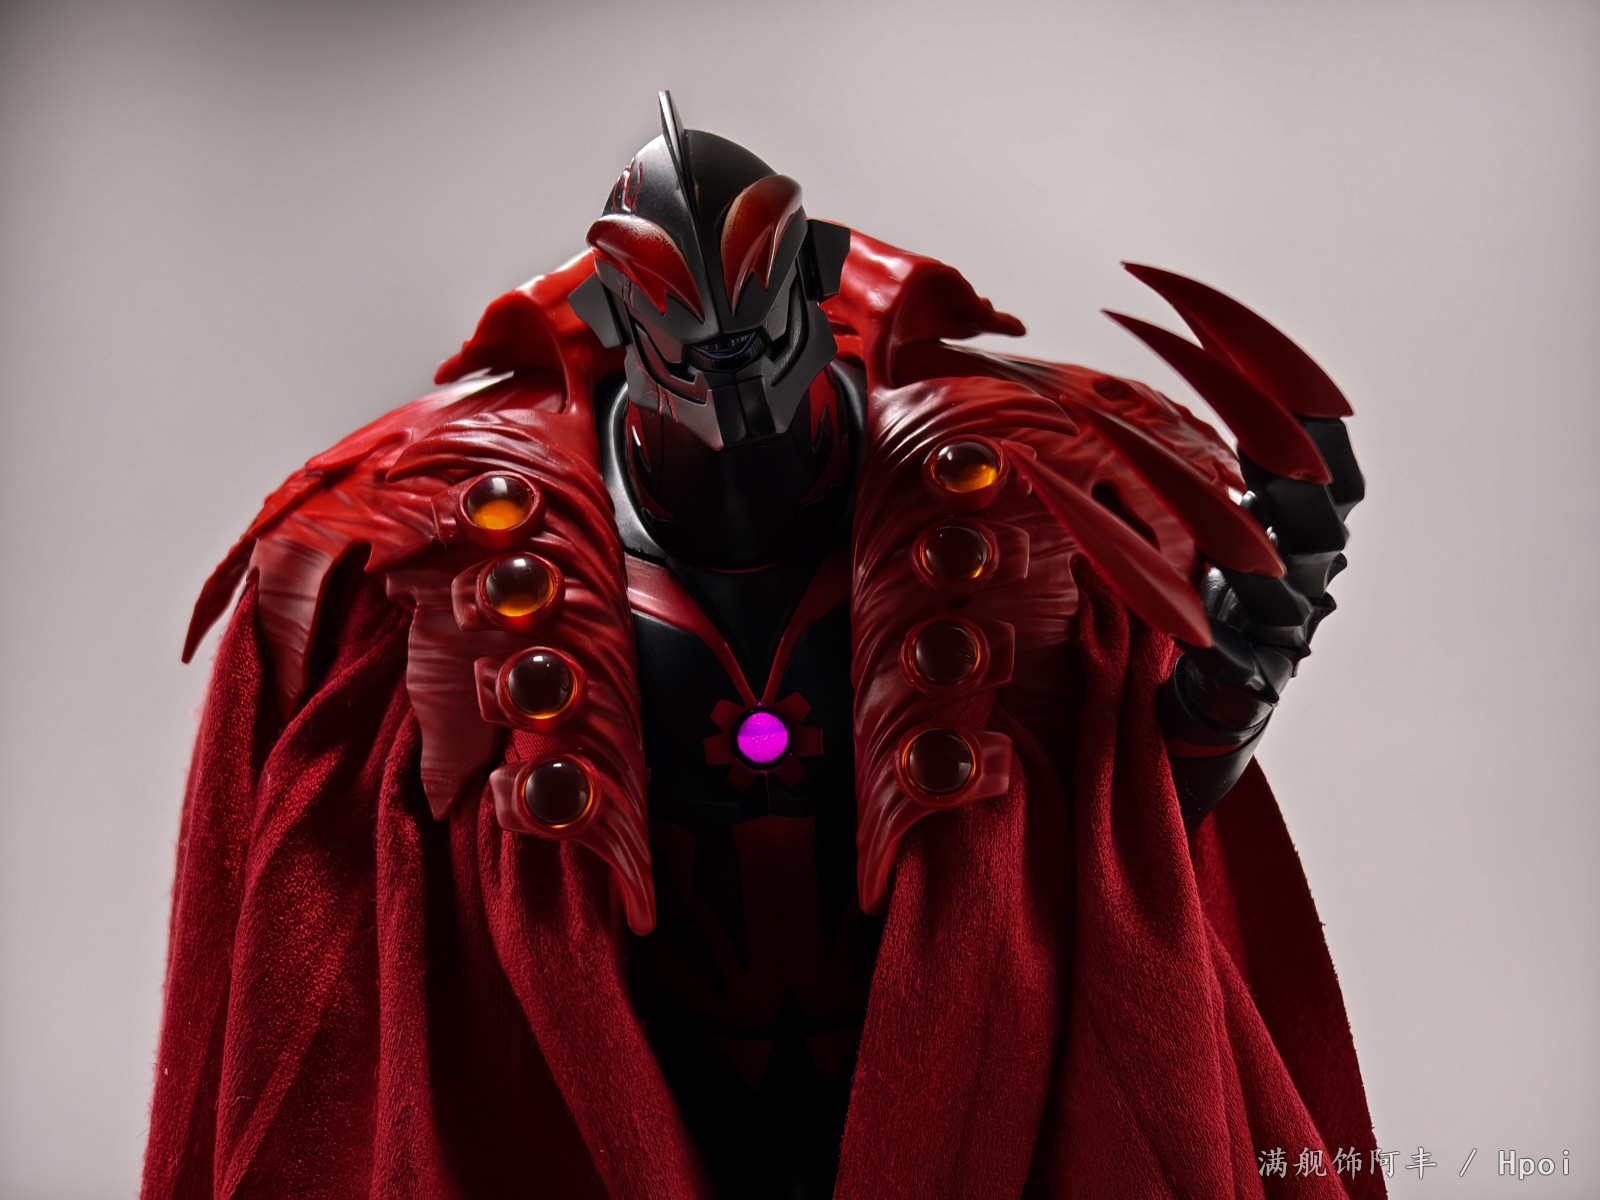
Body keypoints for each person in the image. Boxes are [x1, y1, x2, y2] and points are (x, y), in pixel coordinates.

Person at [145, 93, 1379, 1199]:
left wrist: (1236, 674)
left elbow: (1123, 834)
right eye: (686, 344)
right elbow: (332, 922)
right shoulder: (433, 556)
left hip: (950, 1093)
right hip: (628, 1099)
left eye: (755, 333)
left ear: (814, 283)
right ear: (619, 317)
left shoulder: (1016, 504)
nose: (730, 389)